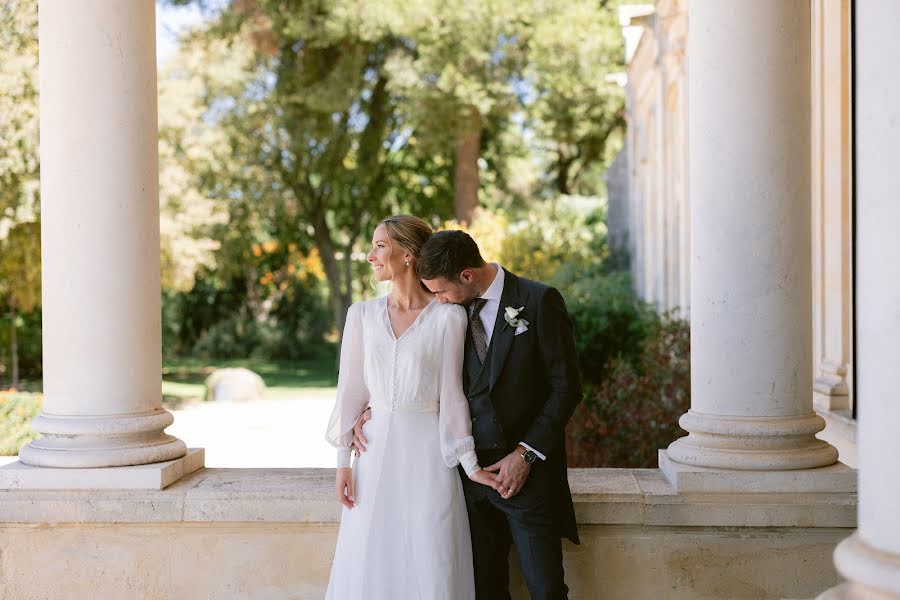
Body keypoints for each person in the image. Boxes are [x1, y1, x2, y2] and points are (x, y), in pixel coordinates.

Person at [354, 229, 582, 600]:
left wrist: (525, 454)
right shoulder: (449, 311)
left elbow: (566, 388)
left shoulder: (539, 301)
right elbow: (424, 373)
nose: (437, 299)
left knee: (547, 589)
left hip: (527, 479)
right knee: (484, 590)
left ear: (467, 276)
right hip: (464, 484)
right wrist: (376, 406)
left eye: (441, 291)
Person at [324, 216, 502, 600]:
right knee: (371, 556)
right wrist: (342, 460)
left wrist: (470, 464)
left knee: (429, 554)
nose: (371, 256)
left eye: (379, 246)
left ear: (407, 255)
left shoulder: (448, 317)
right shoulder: (361, 315)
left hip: (429, 458)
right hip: (372, 457)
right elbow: (350, 390)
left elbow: (452, 394)